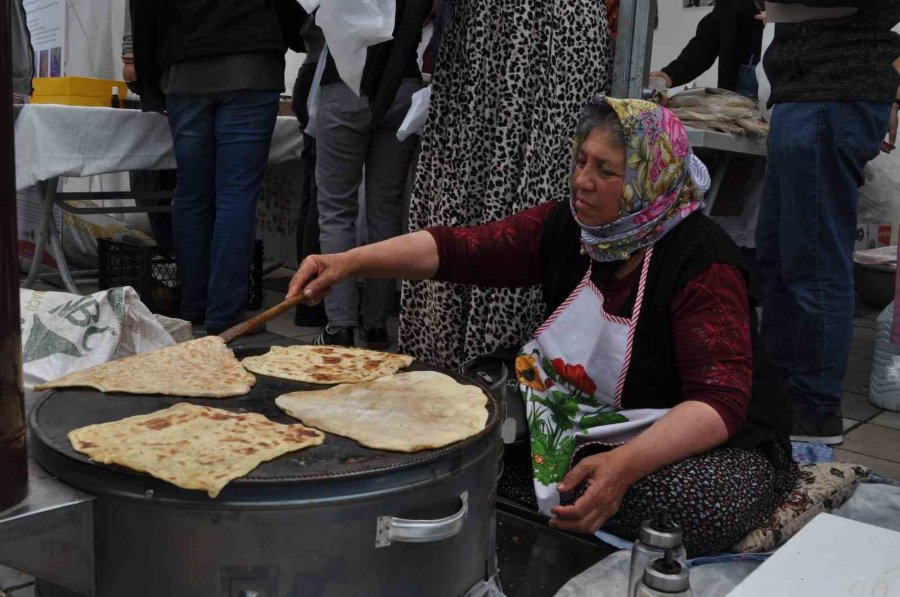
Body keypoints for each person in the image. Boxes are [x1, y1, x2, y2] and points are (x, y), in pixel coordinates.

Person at [287, 97, 797, 556]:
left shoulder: (703, 265)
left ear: (651, 179)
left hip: (690, 438)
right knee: (467, 427)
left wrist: (623, 469)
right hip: (583, 416)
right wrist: (348, 262)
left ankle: (576, 487)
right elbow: (461, 248)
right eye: (580, 161)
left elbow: (718, 404)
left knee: (696, 507)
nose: (581, 181)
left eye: (605, 170)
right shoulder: (572, 229)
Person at [399, 0, 615, 369]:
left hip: (545, 38)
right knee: (476, 189)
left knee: (544, 184)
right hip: (491, 39)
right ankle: (471, 363)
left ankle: (508, 363)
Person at [756, 1, 900, 444]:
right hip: (808, 91)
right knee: (780, 254)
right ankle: (780, 393)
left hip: (831, 90)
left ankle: (814, 407)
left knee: (812, 260)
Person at [132, 0, 307, 333]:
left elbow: (143, 10)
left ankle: (193, 306)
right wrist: (303, 33)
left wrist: (149, 88)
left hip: (185, 70)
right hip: (251, 65)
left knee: (191, 192)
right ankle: (224, 313)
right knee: (236, 195)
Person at [313, 0, 432, 348]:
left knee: (336, 210)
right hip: (402, 86)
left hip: (346, 84)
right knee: (385, 209)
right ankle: (378, 324)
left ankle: (340, 324)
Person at [650, 0, 764, 96]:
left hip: (777, 84)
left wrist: (780, 23)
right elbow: (706, 43)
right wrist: (670, 75)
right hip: (740, 89)